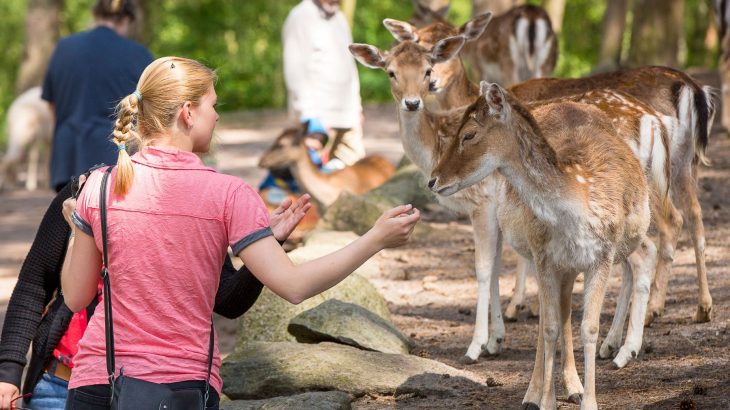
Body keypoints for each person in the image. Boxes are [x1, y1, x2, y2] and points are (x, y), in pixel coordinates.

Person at [60, 56, 419, 410]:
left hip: (97, 384)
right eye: (213, 105)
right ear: (188, 112)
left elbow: (75, 298)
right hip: (180, 389)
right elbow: (294, 286)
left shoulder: (100, 185)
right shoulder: (228, 193)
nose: (216, 116)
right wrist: (374, 239)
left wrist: (77, 229)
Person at [0, 170, 311, 410]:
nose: (215, 118)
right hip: (59, 385)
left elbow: (228, 300)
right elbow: (33, 285)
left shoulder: (200, 200)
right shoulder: (87, 190)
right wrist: (9, 371)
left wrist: (268, 247)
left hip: (155, 389)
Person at [42, 0, 153, 192]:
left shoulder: (64, 48)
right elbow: (150, 113)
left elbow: (52, 107)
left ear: (95, 15)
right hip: (118, 163)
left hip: (68, 160)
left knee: (69, 219)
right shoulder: (139, 54)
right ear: (126, 19)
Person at [282, 0, 366, 170]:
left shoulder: (339, 18)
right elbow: (295, 71)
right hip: (319, 120)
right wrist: (309, 118)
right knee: (315, 183)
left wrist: (357, 107)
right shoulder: (300, 16)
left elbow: (349, 66)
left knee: (358, 177)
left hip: (347, 118)